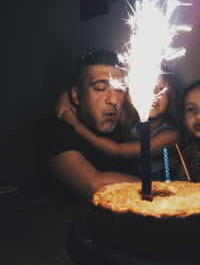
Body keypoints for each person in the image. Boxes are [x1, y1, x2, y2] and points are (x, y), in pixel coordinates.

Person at [34, 49, 140, 203]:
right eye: (100, 88)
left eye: (119, 89)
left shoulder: (126, 124)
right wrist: (167, 189)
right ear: (76, 95)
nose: (113, 100)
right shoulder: (51, 128)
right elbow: (94, 186)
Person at [56, 69, 183, 181]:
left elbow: (118, 151)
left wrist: (77, 126)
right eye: (146, 87)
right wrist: (65, 97)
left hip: (164, 199)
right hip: (130, 196)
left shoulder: (171, 135)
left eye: (161, 90)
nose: (154, 95)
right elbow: (73, 98)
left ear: (170, 97)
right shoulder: (129, 119)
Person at [179, 80, 200, 182]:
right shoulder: (187, 153)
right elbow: (182, 185)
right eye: (191, 109)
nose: (198, 116)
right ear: (183, 120)